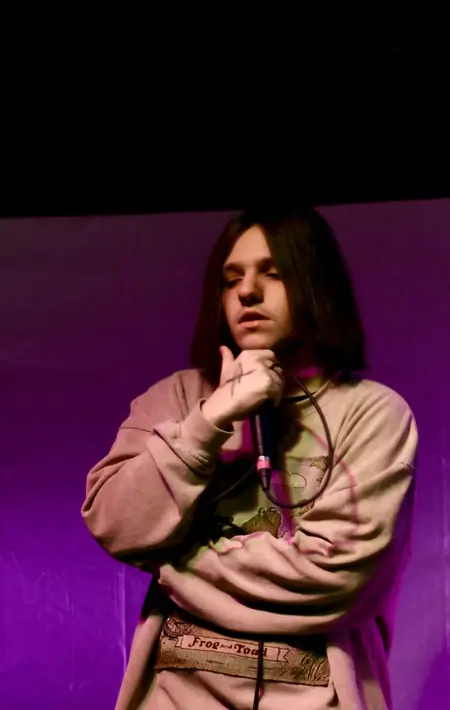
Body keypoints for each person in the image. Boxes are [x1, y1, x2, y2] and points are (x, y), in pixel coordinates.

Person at [82, 206, 418, 709]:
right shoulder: (176, 399)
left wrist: (172, 559)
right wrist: (209, 421)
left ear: (314, 281)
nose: (247, 292)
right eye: (231, 279)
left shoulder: (373, 414)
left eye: (272, 273)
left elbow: (337, 577)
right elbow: (115, 523)